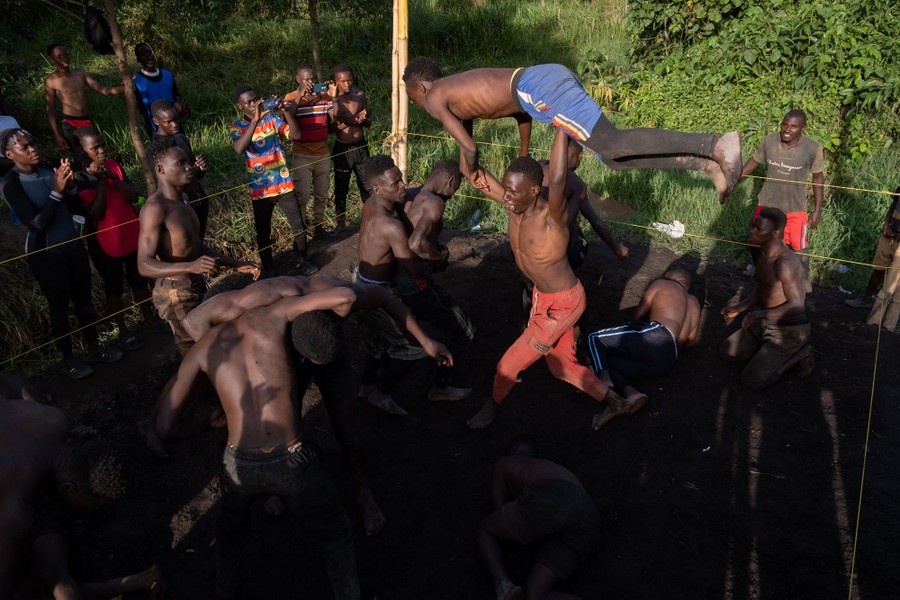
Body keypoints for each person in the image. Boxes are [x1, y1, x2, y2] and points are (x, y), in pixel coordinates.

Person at [180, 274, 453, 535]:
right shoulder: (251, 302)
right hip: (276, 357)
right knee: (282, 424)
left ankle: (363, 492)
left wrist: (425, 341)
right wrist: (225, 372)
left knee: (347, 430)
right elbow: (193, 322)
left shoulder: (337, 296)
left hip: (327, 351)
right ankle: (278, 489)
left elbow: (383, 296)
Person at [154, 291, 381, 600]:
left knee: (230, 532)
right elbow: (344, 297)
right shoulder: (273, 314)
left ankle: (225, 591)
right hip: (290, 461)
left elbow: (165, 426)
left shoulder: (203, 347)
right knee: (335, 534)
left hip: (236, 464)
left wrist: (210, 423)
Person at [463, 128, 633, 429]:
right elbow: (473, 174)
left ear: (533, 190)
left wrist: (561, 126)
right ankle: (618, 402)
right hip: (543, 297)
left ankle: (491, 407)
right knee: (560, 366)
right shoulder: (515, 206)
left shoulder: (552, 218)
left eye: (514, 192)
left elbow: (556, 178)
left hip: (563, 305)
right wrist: (461, 128)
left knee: (507, 366)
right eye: (506, 189)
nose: (507, 197)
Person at [402, 57, 742, 204]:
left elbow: (469, 149)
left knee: (614, 143)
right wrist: (523, 157)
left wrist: (472, 168)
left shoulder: (434, 97)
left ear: (419, 89)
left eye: (412, 99)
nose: (420, 105)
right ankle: (706, 163)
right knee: (613, 159)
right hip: (535, 88)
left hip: (539, 86)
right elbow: (518, 112)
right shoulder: (456, 94)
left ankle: (715, 143)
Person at [0, 399, 163, 599]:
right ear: (68, 488)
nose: (83, 512)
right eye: (85, 508)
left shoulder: (51, 417)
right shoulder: (14, 502)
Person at [0, 128, 122, 379]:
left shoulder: (49, 169)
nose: (33, 149)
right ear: (10, 154)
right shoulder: (10, 184)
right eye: (25, 147)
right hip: (46, 253)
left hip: (73, 245)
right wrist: (56, 190)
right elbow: (36, 224)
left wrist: (70, 188)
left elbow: (75, 206)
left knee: (85, 302)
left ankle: (94, 348)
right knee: (59, 307)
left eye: (32, 143)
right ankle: (69, 360)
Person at [354, 155, 470, 414]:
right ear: (378, 189)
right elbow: (413, 264)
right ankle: (384, 394)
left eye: (401, 179)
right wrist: (438, 260)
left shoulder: (374, 204)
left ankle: (366, 385)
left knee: (378, 338)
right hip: (381, 290)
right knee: (413, 346)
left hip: (362, 279)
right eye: (396, 183)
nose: (403, 185)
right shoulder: (393, 225)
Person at [137, 136, 259, 356]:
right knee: (200, 354)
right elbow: (144, 265)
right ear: (160, 169)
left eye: (188, 161)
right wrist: (190, 266)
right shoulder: (154, 209)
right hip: (175, 294)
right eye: (181, 163)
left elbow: (193, 245)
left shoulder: (182, 198)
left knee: (210, 351)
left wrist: (236, 263)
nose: (189, 167)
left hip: (193, 285)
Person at [475, 435, 599, 600]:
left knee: (486, 531)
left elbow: (500, 512)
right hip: (587, 516)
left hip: (555, 499)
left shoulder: (504, 463)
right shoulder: (551, 470)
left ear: (511, 451)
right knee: (536, 596)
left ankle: (504, 587)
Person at [394, 159, 476, 400]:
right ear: (451, 182)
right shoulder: (435, 202)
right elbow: (416, 243)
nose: (454, 193)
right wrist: (438, 256)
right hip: (415, 282)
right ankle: (440, 387)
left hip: (394, 280)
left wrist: (433, 244)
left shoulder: (408, 195)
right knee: (466, 330)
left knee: (398, 335)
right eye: (456, 188)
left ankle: (371, 387)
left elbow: (409, 234)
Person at [72, 126, 159, 351]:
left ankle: (150, 320)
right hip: (104, 241)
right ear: (83, 152)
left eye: (103, 145)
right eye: (95, 148)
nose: (101, 150)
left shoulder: (113, 165)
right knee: (114, 287)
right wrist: (101, 184)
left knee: (139, 280)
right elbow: (94, 213)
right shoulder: (79, 177)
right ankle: (123, 332)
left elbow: (133, 195)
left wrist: (113, 179)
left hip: (130, 231)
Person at [522, 138, 629, 315]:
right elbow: (596, 221)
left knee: (531, 284)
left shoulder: (538, 168)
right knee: (576, 244)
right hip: (556, 249)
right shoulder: (575, 183)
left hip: (528, 242)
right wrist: (616, 248)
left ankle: (528, 315)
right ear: (578, 156)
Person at [585, 268, 701, 429]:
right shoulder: (693, 302)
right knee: (608, 362)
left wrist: (625, 334)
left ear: (669, 277)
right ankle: (632, 395)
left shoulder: (664, 283)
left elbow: (637, 315)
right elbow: (690, 342)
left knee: (593, 337)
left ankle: (602, 379)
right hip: (668, 359)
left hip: (657, 336)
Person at [720, 207, 814, 389]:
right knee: (727, 352)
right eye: (753, 227)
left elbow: (797, 305)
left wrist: (757, 315)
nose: (752, 232)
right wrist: (739, 308)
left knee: (752, 380)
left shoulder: (785, 263)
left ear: (775, 233)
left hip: (789, 330)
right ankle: (767, 351)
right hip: (764, 323)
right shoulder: (765, 254)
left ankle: (801, 354)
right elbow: (764, 289)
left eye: (758, 229)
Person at [230, 85, 318, 275]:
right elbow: (238, 149)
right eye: (249, 102)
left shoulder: (271, 119)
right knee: (263, 233)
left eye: (256, 99)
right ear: (240, 106)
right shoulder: (238, 126)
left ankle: (303, 260)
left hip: (284, 184)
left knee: (299, 226)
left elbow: (296, 135)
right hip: (260, 191)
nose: (254, 104)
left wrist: (285, 111)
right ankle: (268, 269)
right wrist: (254, 121)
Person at [740, 109, 825, 283]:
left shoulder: (813, 148)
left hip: (794, 207)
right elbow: (754, 162)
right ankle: (759, 268)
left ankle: (803, 280)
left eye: (793, 126)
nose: (787, 129)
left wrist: (817, 210)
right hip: (768, 203)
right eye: (784, 124)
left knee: (798, 246)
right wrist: (732, 181)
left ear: (803, 128)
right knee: (756, 240)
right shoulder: (770, 140)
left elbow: (818, 178)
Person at [284, 64, 335, 239]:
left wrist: (333, 97)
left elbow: (334, 117)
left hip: (322, 153)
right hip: (302, 155)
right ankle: (301, 234)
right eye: (306, 79)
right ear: (298, 79)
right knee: (302, 195)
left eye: (312, 78)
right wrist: (300, 96)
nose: (310, 82)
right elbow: (288, 116)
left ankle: (319, 228)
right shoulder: (291, 97)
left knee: (322, 194)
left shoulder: (323, 96)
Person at [43, 44, 123, 154]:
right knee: (81, 157)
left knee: (97, 153)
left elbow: (102, 90)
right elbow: (51, 110)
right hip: (70, 124)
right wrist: (57, 135)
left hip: (85, 120)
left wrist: (123, 88)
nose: (64, 58)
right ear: (52, 60)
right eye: (59, 56)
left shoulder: (80, 73)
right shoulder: (51, 81)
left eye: (65, 54)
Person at [151, 98, 209, 240]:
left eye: (176, 119)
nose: (175, 124)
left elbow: (197, 175)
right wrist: (194, 169)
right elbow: (176, 180)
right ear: (156, 121)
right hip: (182, 206)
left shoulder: (181, 138)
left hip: (199, 198)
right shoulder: (158, 149)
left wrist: (202, 165)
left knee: (201, 241)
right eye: (168, 122)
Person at [331, 65, 371, 229]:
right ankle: (341, 224)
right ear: (336, 82)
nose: (347, 84)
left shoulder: (360, 95)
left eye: (349, 80)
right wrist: (349, 121)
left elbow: (369, 122)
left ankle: (370, 219)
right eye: (343, 81)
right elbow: (330, 128)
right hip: (343, 149)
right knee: (341, 187)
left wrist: (362, 120)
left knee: (367, 184)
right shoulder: (333, 100)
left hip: (361, 147)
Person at [863, 187, 900, 330]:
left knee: (895, 285)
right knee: (878, 270)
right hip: (889, 236)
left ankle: (888, 324)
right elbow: (893, 206)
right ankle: (867, 302)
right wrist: (886, 224)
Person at [133, 43, 187, 136]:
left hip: (174, 124)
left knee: (182, 147)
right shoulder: (137, 82)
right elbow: (138, 106)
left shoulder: (168, 75)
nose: (148, 55)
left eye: (149, 52)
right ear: (138, 59)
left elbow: (175, 95)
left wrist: (179, 105)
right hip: (156, 129)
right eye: (143, 54)